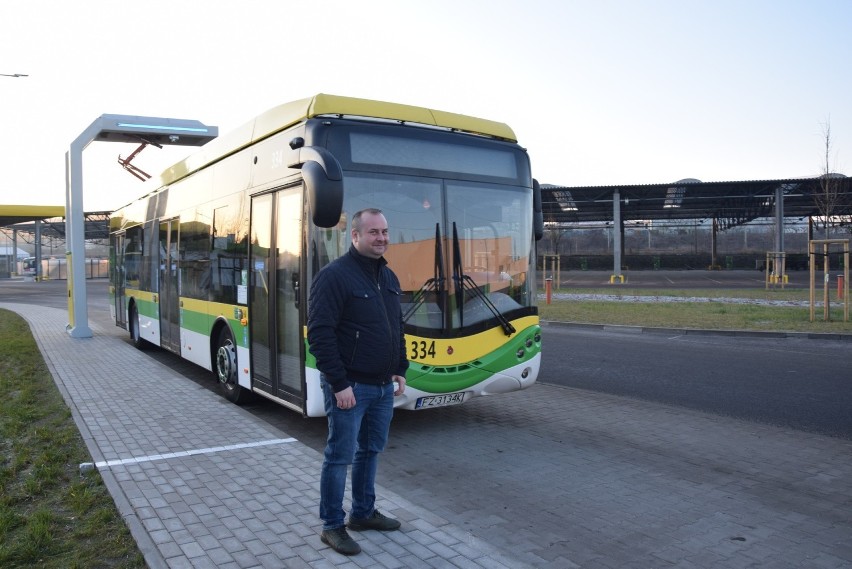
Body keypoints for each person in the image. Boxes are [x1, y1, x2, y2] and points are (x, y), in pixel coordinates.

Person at [307, 208, 409, 556]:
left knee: (371, 451)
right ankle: (332, 526)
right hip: (350, 386)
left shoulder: (389, 277)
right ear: (355, 236)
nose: (381, 237)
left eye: (385, 231)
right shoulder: (334, 276)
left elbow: (397, 327)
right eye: (373, 232)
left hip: (382, 386)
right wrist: (338, 384)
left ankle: (363, 513)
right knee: (340, 456)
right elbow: (320, 334)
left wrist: (400, 367)